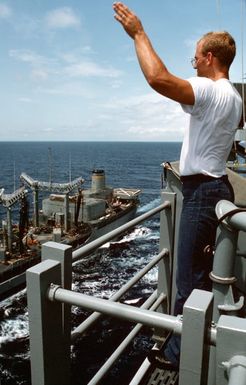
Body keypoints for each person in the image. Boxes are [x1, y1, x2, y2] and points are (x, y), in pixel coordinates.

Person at [113, 2, 242, 371]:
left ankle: (176, 359)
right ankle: (189, 347)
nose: (193, 62)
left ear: (209, 57)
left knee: (188, 281)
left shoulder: (211, 90)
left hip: (203, 195)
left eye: (196, 56)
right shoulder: (233, 97)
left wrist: (138, 33)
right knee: (200, 275)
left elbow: (159, 79)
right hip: (216, 189)